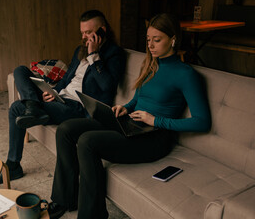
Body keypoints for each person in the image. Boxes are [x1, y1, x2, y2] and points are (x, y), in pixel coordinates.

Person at [47, 13, 212, 219]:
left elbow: (202, 121)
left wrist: (155, 120)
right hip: (132, 124)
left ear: (173, 39)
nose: (151, 45)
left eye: (157, 40)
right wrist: (125, 107)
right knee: (66, 130)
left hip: (154, 137)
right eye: (148, 39)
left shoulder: (186, 74)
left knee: (88, 141)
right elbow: (137, 100)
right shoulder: (150, 64)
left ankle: (93, 215)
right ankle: (64, 199)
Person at [0, 10, 126, 184]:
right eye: (82, 33)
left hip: (78, 107)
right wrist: (52, 91)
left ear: (102, 30)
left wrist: (94, 55)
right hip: (60, 98)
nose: (85, 37)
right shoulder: (79, 50)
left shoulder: (114, 53)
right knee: (20, 70)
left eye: (88, 32)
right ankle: (33, 105)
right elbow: (67, 78)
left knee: (16, 108)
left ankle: (13, 165)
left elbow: (107, 85)